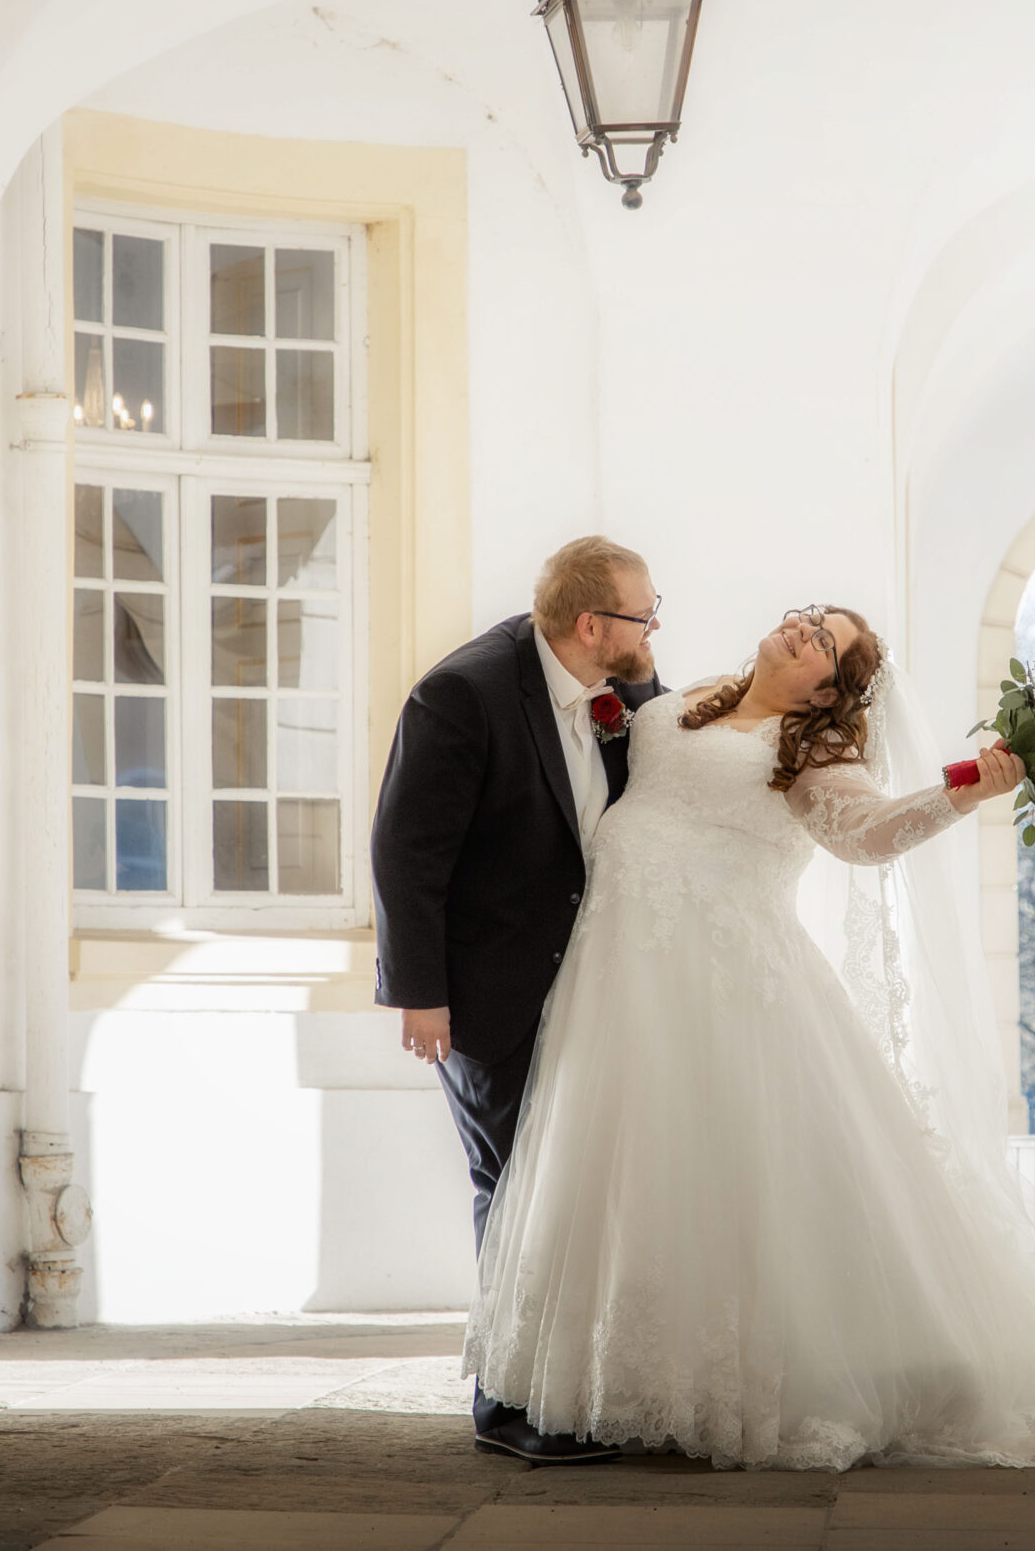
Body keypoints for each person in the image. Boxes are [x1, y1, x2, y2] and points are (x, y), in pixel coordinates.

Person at [463, 605, 1035, 1470]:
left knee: (715, 1176)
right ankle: (599, 1387)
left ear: (829, 691)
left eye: (826, 641)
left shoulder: (814, 750)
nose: (803, 630)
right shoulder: (682, 702)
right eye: (808, 617)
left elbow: (867, 833)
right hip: (621, 972)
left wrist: (964, 790)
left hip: (719, 982)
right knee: (622, 1167)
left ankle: (717, 1390)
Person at [371, 536, 666, 1463]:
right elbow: (406, 851)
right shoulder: (462, 694)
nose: (655, 631)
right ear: (592, 624)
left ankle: (567, 1386)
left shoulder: (623, 692)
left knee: (566, 1194)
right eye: (645, 615)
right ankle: (506, 1405)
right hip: (488, 989)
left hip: (592, 986)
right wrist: (420, 994)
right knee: (510, 1190)